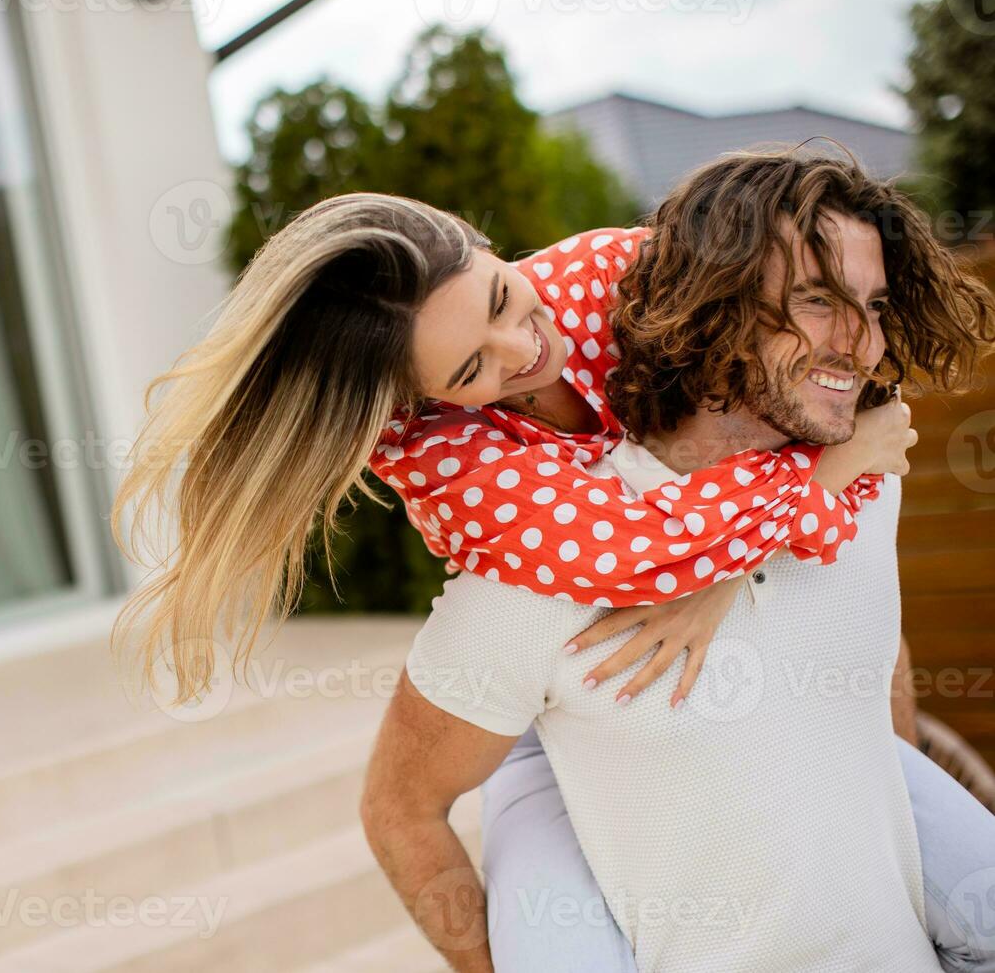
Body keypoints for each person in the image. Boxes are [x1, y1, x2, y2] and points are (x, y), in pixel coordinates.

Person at [359, 151, 995, 970]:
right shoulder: (517, 555)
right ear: (717, 305)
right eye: (814, 301)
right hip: (548, 701)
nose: (861, 341)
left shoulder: (861, 461)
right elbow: (401, 808)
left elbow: (872, 662)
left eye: (869, 305)